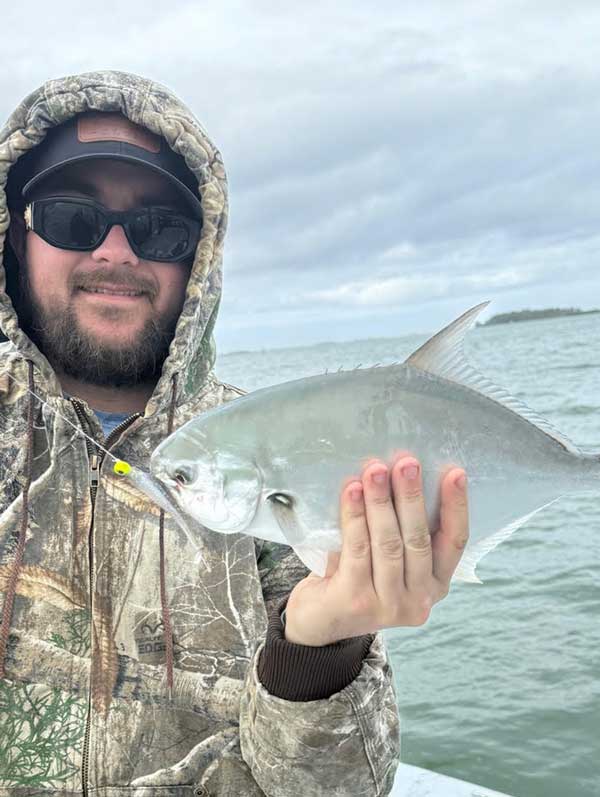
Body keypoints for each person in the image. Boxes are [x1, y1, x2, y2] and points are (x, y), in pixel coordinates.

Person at [0, 71, 469, 794]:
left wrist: (318, 650)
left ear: (200, 256)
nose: (117, 253)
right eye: (71, 217)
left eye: (160, 228)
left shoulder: (265, 453)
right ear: (15, 238)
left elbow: (338, 788)